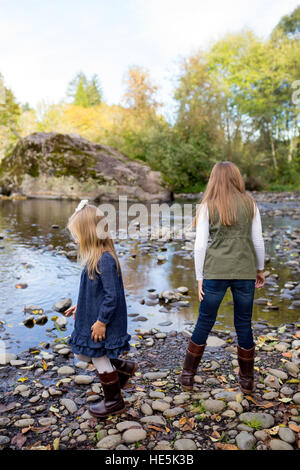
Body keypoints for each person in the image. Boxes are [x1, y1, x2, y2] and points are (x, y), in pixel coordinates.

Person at [178, 162, 265, 395]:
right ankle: (247, 382)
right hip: (245, 272)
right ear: (236, 178)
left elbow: (199, 247)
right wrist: (259, 268)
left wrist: (199, 278)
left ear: (213, 179)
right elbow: (258, 241)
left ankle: (187, 377)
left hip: (215, 272)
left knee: (204, 322)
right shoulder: (250, 204)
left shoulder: (208, 205)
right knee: (244, 324)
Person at [64, 200, 137, 418]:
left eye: (77, 235)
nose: (75, 240)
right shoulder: (94, 257)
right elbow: (96, 290)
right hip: (93, 314)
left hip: (104, 321)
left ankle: (114, 401)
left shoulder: (105, 259)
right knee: (83, 354)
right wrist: (82, 303)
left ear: (89, 234)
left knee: (96, 356)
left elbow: (112, 296)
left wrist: (102, 322)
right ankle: (122, 368)